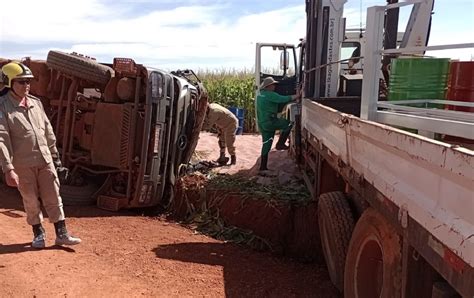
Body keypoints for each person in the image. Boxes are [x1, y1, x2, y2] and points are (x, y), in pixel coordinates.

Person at [0, 61, 81, 249]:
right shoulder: (3, 106)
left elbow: (48, 131)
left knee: (53, 195)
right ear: (9, 82)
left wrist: (56, 158)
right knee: (30, 198)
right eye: (21, 82)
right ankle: (38, 233)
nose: (26, 86)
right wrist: (8, 168)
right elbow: (2, 139)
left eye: (28, 82)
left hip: (45, 160)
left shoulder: (36, 103)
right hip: (22, 163)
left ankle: (62, 234)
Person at [256, 77, 301, 171]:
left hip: (263, 123)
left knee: (266, 144)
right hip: (271, 121)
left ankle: (263, 168)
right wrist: (298, 95)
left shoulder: (260, 95)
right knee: (288, 124)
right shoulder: (270, 94)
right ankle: (280, 144)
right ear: (268, 86)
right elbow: (283, 99)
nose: (275, 87)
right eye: (273, 85)